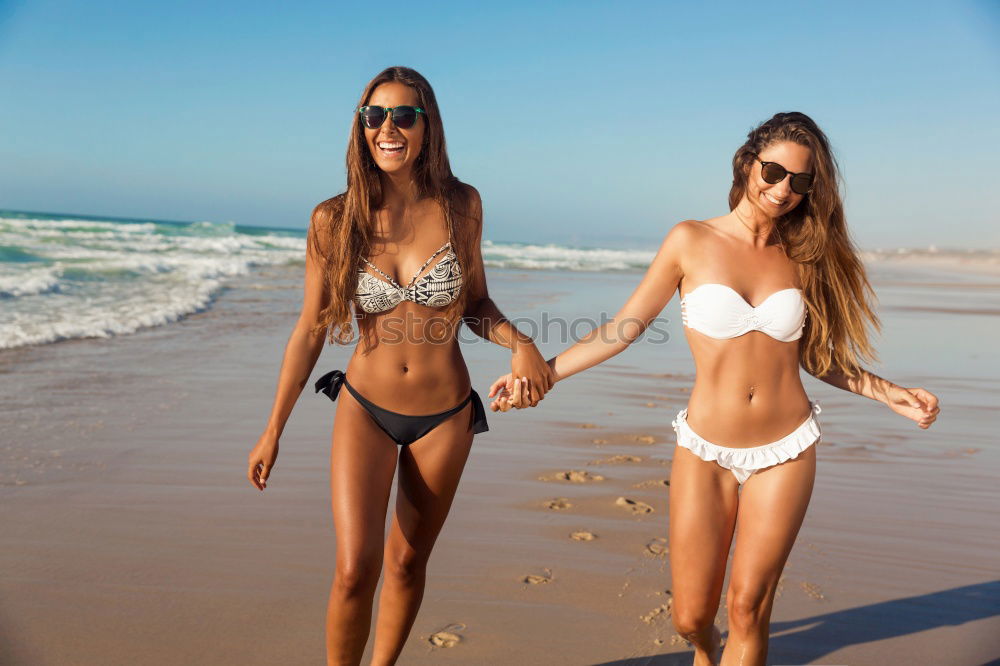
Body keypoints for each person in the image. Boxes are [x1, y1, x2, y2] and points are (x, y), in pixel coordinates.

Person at [489, 112, 939, 665]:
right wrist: (544, 375)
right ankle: (707, 649)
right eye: (773, 172)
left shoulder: (805, 256)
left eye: (800, 182)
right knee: (691, 617)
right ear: (749, 163)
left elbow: (818, 359)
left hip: (786, 447)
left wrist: (889, 393)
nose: (782, 190)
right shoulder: (690, 240)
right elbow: (622, 330)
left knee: (749, 607)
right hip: (705, 447)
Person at [247, 66, 553, 666]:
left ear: (426, 124)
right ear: (361, 128)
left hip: (446, 416)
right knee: (353, 568)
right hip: (366, 407)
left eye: (403, 115)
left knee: (408, 562)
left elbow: (477, 305)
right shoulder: (333, 219)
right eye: (374, 116)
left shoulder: (462, 206)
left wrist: (522, 343)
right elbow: (311, 328)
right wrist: (272, 428)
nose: (388, 128)